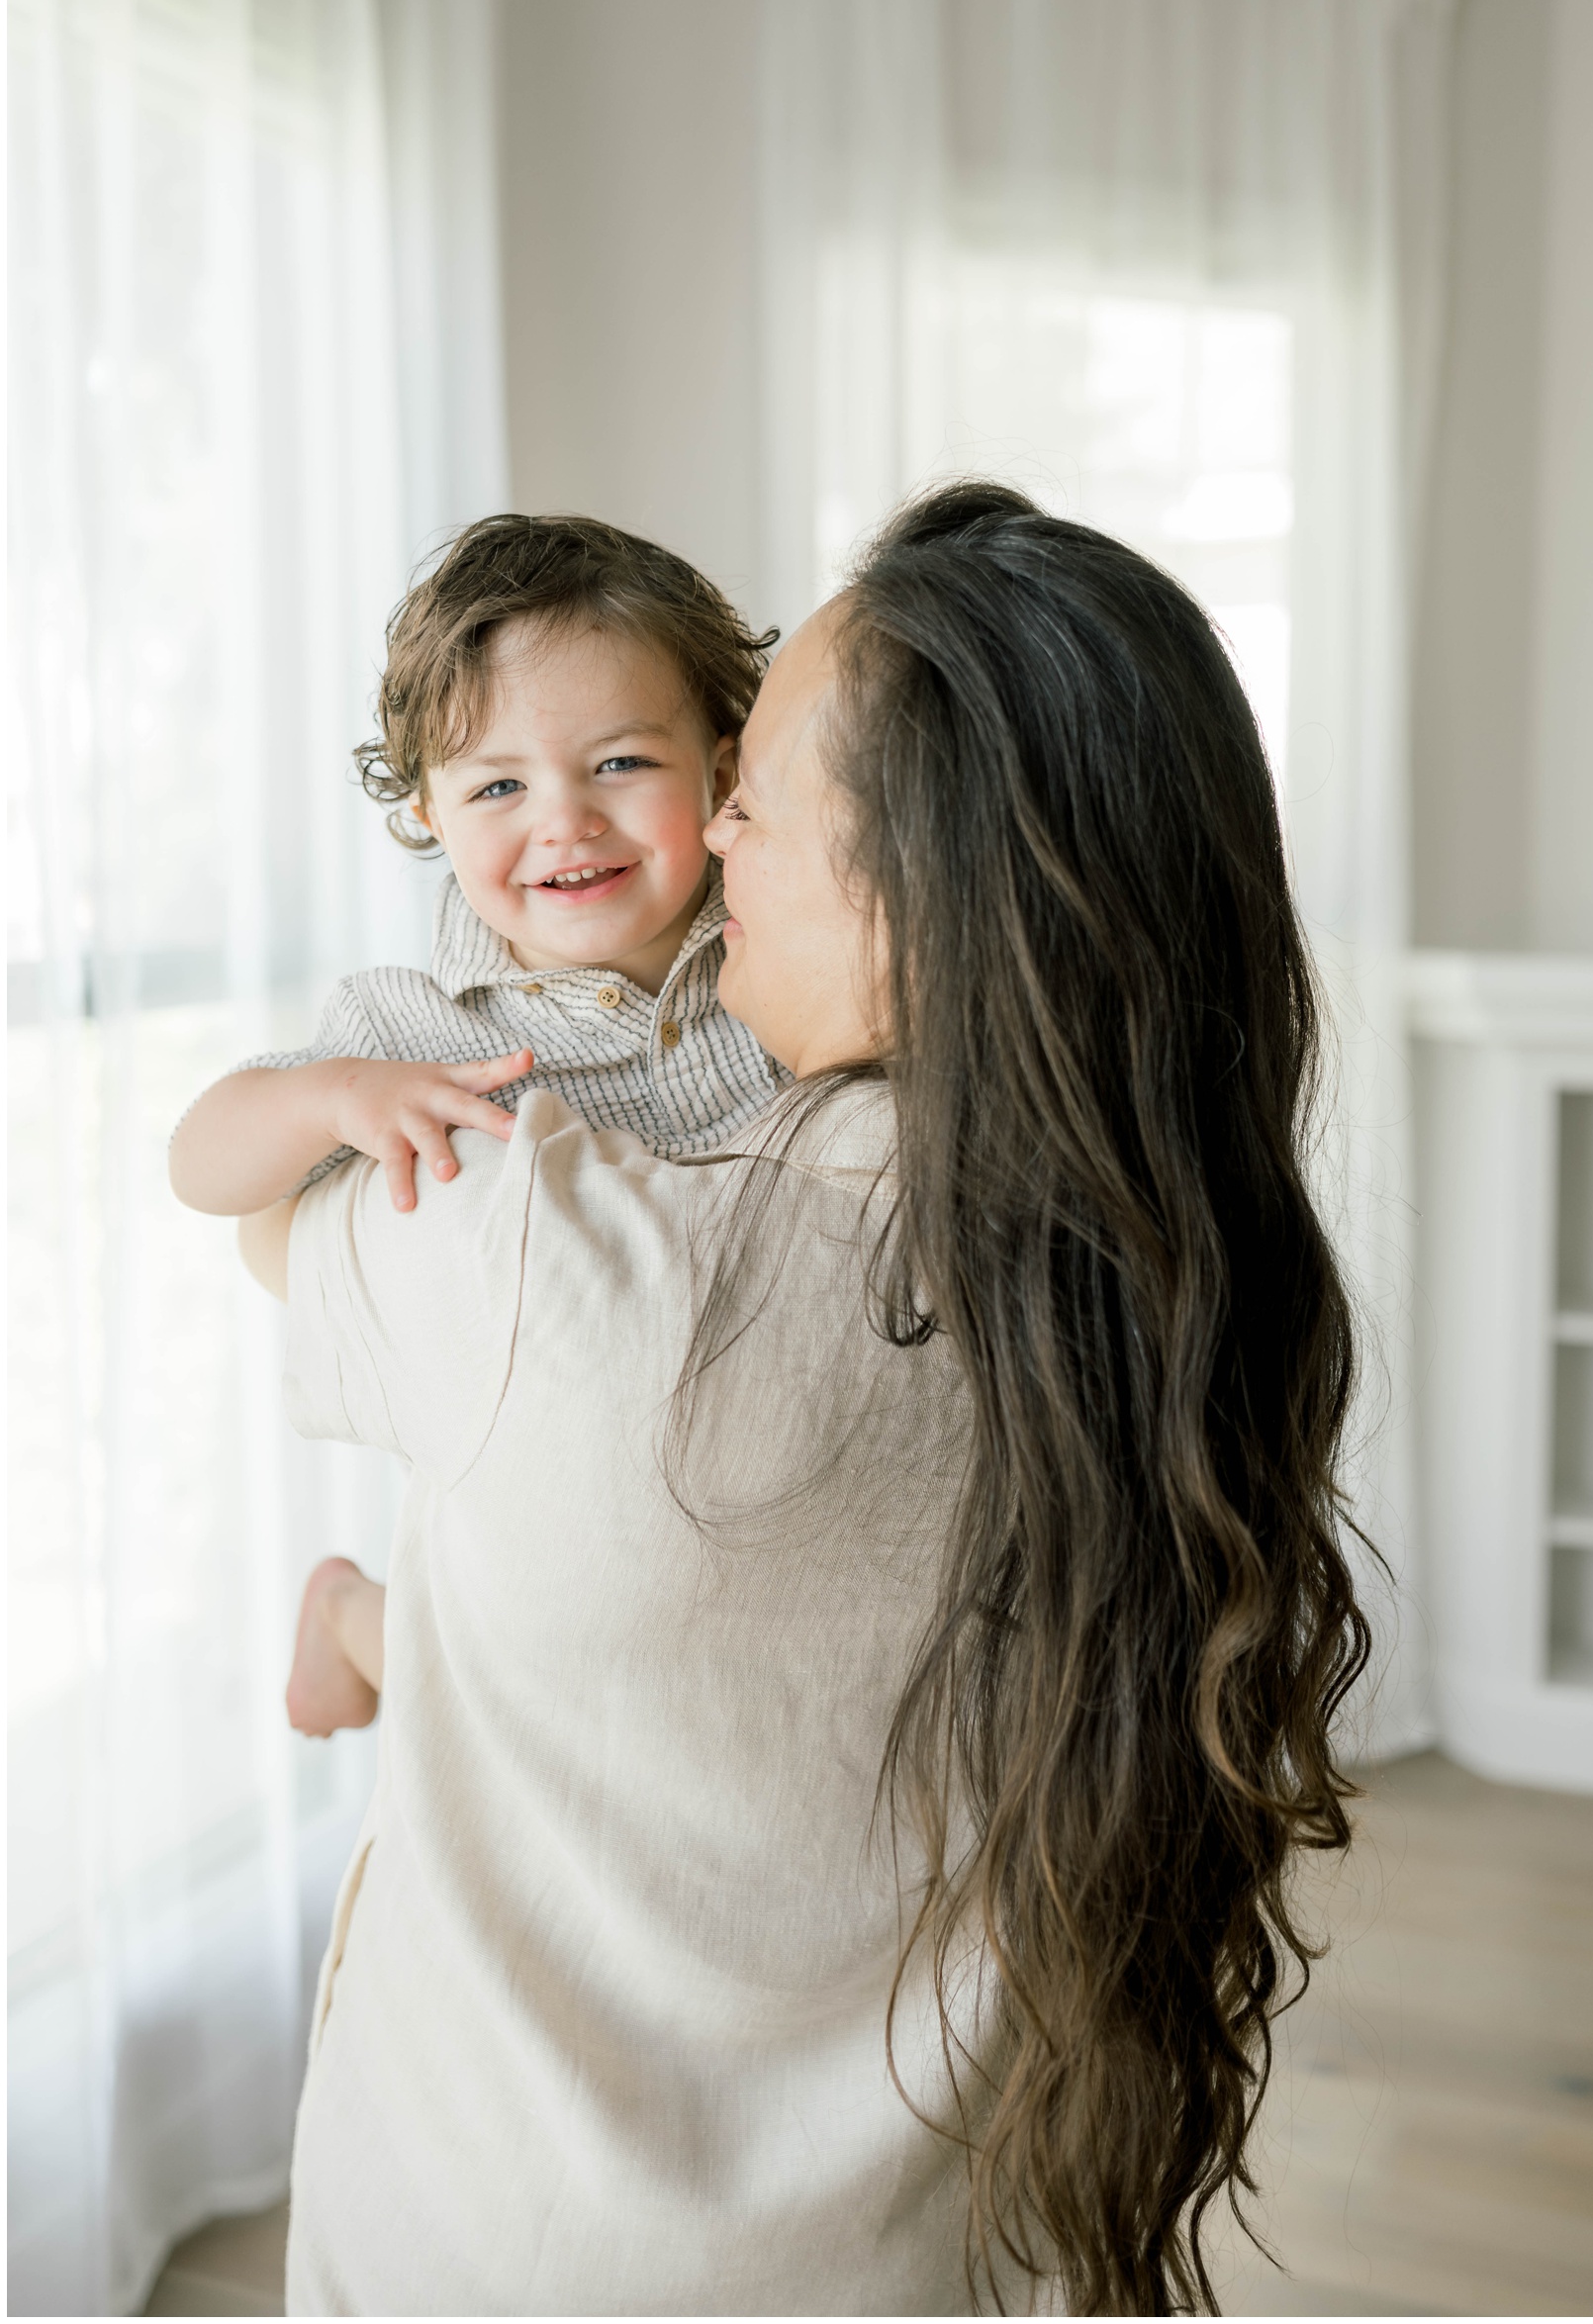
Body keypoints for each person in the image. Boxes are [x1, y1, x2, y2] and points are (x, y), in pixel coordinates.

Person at [238, 482, 1370, 2315]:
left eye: (737, 788)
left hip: (515, 2249)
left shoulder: (547, 1246)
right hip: (945, 2253)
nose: (691, 841)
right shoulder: (1174, 1280)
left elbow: (281, 1230)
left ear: (915, 879)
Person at [170, 514, 787, 1736]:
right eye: (498, 785)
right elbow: (202, 1162)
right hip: (531, 1480)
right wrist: (333, 1096)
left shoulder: (782, 957)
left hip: (745, 1443)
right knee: (518, 1678)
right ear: (429, 815)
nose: (562, 820)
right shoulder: (413, 1026)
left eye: (619, 764)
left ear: (721, 769)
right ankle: (349, 1614)